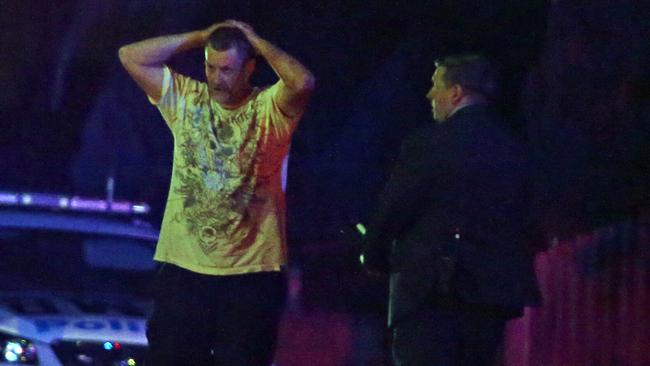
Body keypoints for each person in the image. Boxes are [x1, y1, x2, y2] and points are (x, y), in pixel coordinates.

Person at [118, 19, 315, 366]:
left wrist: (255, 38)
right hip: (185, 270)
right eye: (210, 66)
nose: (216, 77)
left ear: (249, 68)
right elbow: (130, 55)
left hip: (250, 273)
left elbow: (302, 82)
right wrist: (198, 37)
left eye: (227, 69)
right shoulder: (186, 98)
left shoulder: (269, 107)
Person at [361, 54, 540, 366]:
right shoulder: (516, 149)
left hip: (432, 293)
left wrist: (373, 254)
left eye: (435, 86)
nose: (430, 95)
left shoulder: (429, 143)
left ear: (456, 92)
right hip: (491, 297)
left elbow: (395, 208)